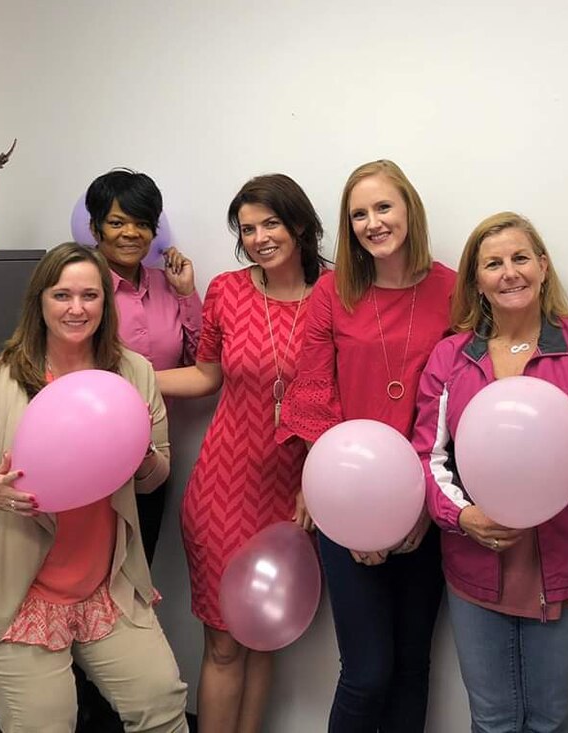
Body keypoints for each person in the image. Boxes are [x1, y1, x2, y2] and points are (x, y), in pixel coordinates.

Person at [0, 242, 188, 733]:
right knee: (47, 724)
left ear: (105, 305)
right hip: (11, 589)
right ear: (40, 302)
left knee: (161, 703)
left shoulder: (134, 372)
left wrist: (143, 456)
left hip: (102, 584)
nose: (77, 308)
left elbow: (157, 476)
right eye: (62, 295)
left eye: (90, 295)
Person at [412, 212, 568, 733]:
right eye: (492, 263)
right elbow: (426, 456)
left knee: (550, 721)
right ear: (476, 280)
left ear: (543, 266)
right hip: (474, 568)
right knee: (492, 720)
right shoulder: (451, 357)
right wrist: (462, 515)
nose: (509, 272)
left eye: (520, 258)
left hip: (567, 570)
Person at [278, 159, 454, 732]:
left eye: (383, 207)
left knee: (410, 666)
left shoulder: (453, 289)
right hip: (345, 496)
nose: (373, 222)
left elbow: (458, 402)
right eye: (359, 214)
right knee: (368, 670)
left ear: (409, 210)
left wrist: (419, 508)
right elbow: (312, 390)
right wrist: (352, 514)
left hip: (427, 501)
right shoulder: (333, 292)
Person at [156, 174, 330, 733]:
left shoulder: (335, 296)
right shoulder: (228, 291)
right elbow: (207, 375)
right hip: (221, 489)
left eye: (270, 224)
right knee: (227, 642)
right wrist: (129, 377)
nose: (257, 238)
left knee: (265, 639)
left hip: (297, 493)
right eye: (247, 228)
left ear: (299, 225)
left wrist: (321, 483)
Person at [85, 168, 202, 565]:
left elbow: (201, 362)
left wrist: (187, 294)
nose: (130, 233)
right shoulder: (81, 287)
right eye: (117, 222)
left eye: (141, 223)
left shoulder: (167, 285)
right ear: (95, 227)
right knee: (85, 578)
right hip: (87, 453)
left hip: (152, 459)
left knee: (138, 572)